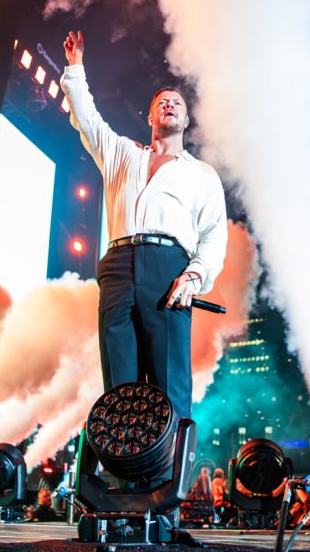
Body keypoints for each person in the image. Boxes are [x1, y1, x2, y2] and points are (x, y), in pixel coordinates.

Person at [60, 30, 228, 425]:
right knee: (120, 382)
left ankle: (170, 462)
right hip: (118, 264)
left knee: (169, 381)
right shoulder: (121, 153)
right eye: (161, 102)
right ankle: (124, 457)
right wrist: (76, 66)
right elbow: (87, 118)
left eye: (176, 103)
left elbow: (213, 234)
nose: (169, 105)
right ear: (150, 117)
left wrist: (194, 276)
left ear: (185, 120)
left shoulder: (201, 174)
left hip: (168, 269)